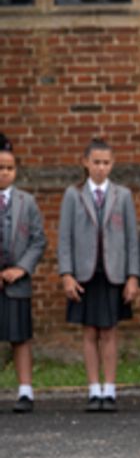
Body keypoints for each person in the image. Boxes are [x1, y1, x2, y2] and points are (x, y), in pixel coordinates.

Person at [58, 138, 140, 412]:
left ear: (112, 164)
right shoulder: (73, 195)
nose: (101, 168)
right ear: (85, 163)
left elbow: (131, 239)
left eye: (106, 163)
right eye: (96, 162)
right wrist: (67, 274)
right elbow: (64, 237)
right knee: (89, 331)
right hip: (84, 273)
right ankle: (93, 388)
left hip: (113, 272)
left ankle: (110, 388)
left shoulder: (123, 195)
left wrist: (132, 276)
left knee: (109, 331)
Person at [0, 134, 47, 413]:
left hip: (18, 282)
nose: (4, 173)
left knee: (20, 337)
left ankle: (26, 390)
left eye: (9, 168)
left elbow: (38, 240)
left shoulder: (27, 202)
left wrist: (21, 269)